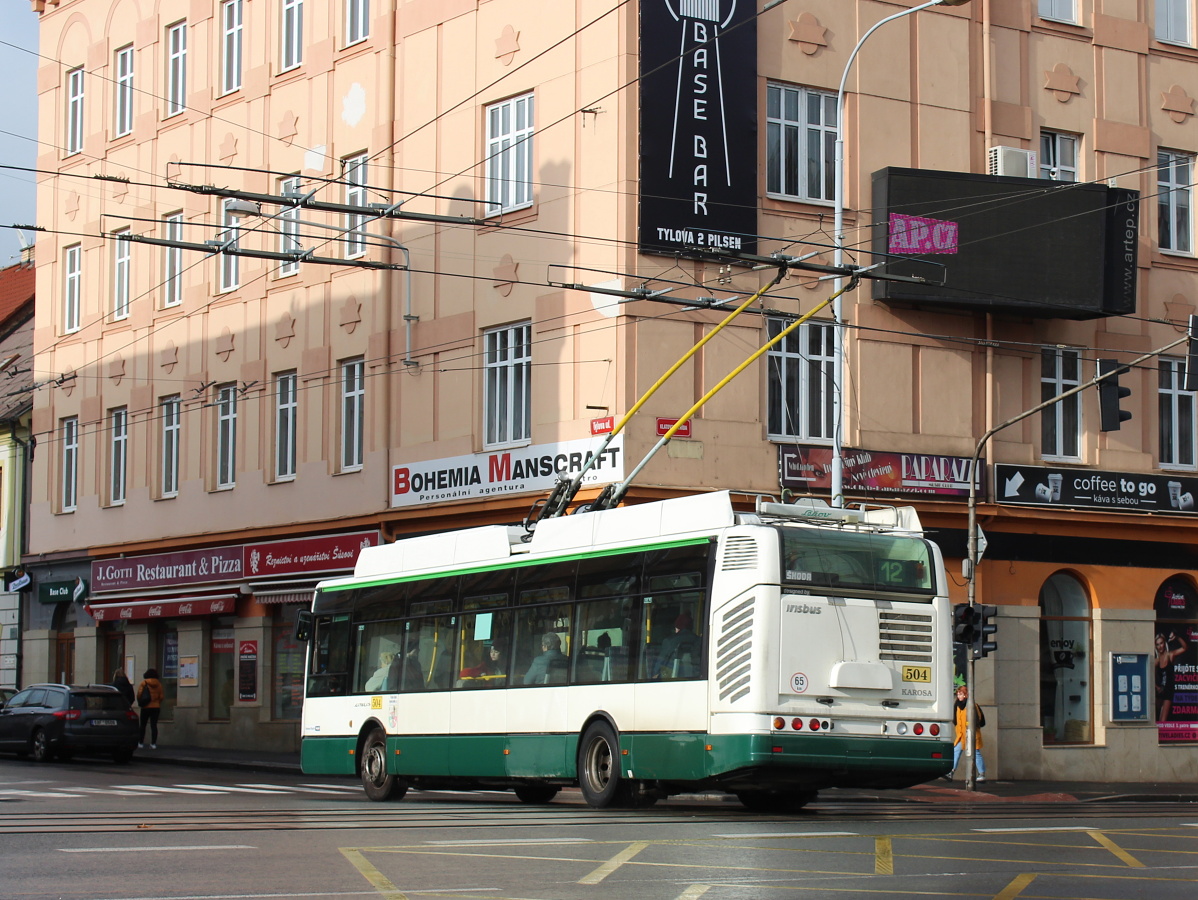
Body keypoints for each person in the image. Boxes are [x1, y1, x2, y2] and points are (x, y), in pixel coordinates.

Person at [947, 683, 985, 783]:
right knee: (956, 751)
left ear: (966, 695)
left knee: (976, 753)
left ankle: (981, 774)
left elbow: (980, 720)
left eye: (960, 694)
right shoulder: (957, 705)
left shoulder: (972, 705)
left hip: (971, 734)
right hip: (962, 735)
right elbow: (955, 720)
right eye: (958, 694)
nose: (959, 696)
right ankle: (951, 772)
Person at [1156, 631, 1188, 722]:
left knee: (1162, 721)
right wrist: (1156, 687)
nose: (1160, 646)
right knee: (1155, 717)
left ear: (1164, 643)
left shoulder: (1170, 655)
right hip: (1160, 692)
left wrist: (1177, 637)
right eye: (1157, 644)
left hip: (1168, 691)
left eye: (1161, 643)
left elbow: (1185, 648)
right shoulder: (1157, 660)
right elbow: (1147, 673)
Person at [654, 613, 698, 678]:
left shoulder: (669, 641)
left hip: (672, 679)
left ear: (678, 627)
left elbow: (659, 664)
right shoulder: (699, 640)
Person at [135, 668, 165, 749]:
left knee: (143, 725)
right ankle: (153, 744)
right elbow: (161, 696)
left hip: (145, 707)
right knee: (154, 725)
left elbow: (139, 694)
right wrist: (157, 702)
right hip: (156, 707)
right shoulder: (159, 684)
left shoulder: (144, 683)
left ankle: (141, 742)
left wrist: (141, 702)